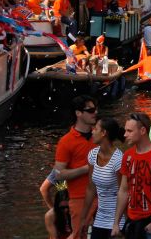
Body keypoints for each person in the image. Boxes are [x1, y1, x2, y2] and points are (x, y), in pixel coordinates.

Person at [113, 112, 151, 239]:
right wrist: (116, 223)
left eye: (129, 131)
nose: (125, 135)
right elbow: (124, 190)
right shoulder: (127, 156)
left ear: (142, 130)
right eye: (125, 130)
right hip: (133, 220)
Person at [48, 94, 97, 239]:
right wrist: (86, 169)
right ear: (78, 113)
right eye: (91, 110)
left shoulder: (100, 135)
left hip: (103, 196)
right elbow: (59, 174)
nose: (95, 113)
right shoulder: (66, 141)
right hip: (79, 198)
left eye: (96, 109)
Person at [76, 117, 124, 239]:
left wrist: (116, 223)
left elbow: (123, 192)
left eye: (95, 128)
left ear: (104, 133)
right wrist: (83, 219)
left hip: (117, 220)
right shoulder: (92, 155)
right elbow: (91, 188)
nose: (92, 131)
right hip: (100, 219)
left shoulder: (119, 159)